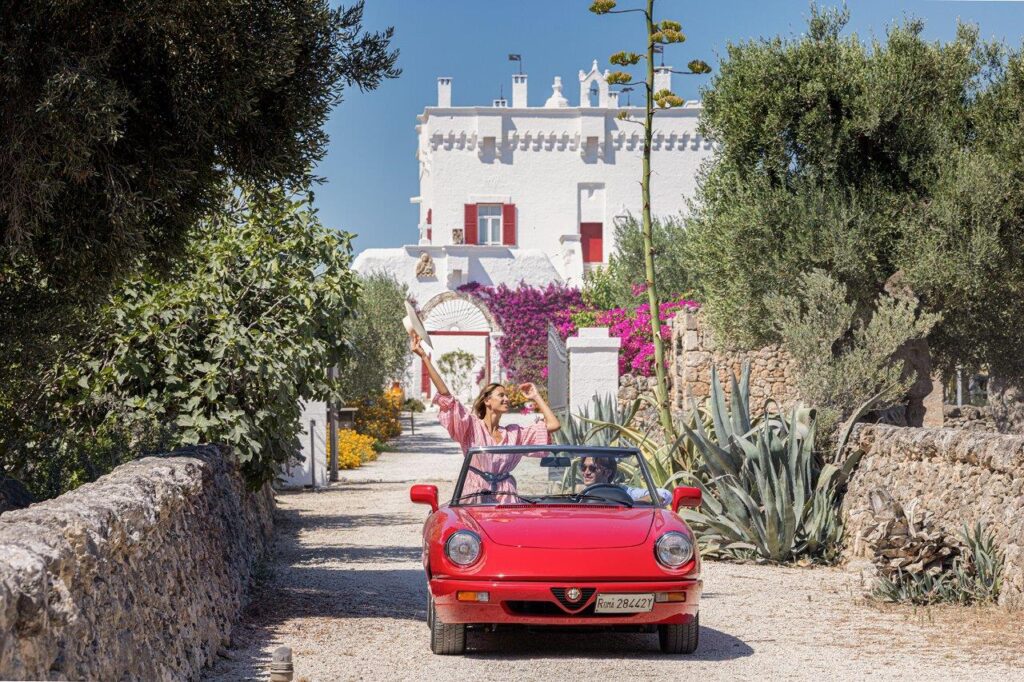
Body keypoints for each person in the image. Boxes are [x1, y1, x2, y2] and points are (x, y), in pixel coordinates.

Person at [411, 331, 560, 500]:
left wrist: (536, 396)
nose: (507, 399)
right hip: (475, 494)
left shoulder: (514, 433)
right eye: (501, 395)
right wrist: (424, 357)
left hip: (506, 497)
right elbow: (446, 396)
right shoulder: (471, 427)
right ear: (487, 401)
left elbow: (554, 425)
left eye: (506, 395)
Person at [579, 455, 671, 505]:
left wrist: (629, 504)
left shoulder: (622, 492)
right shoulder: (576, 492)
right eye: (583, 468)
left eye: (592, 468)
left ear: (608, 473)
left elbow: (663, 494)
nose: (586, 472)